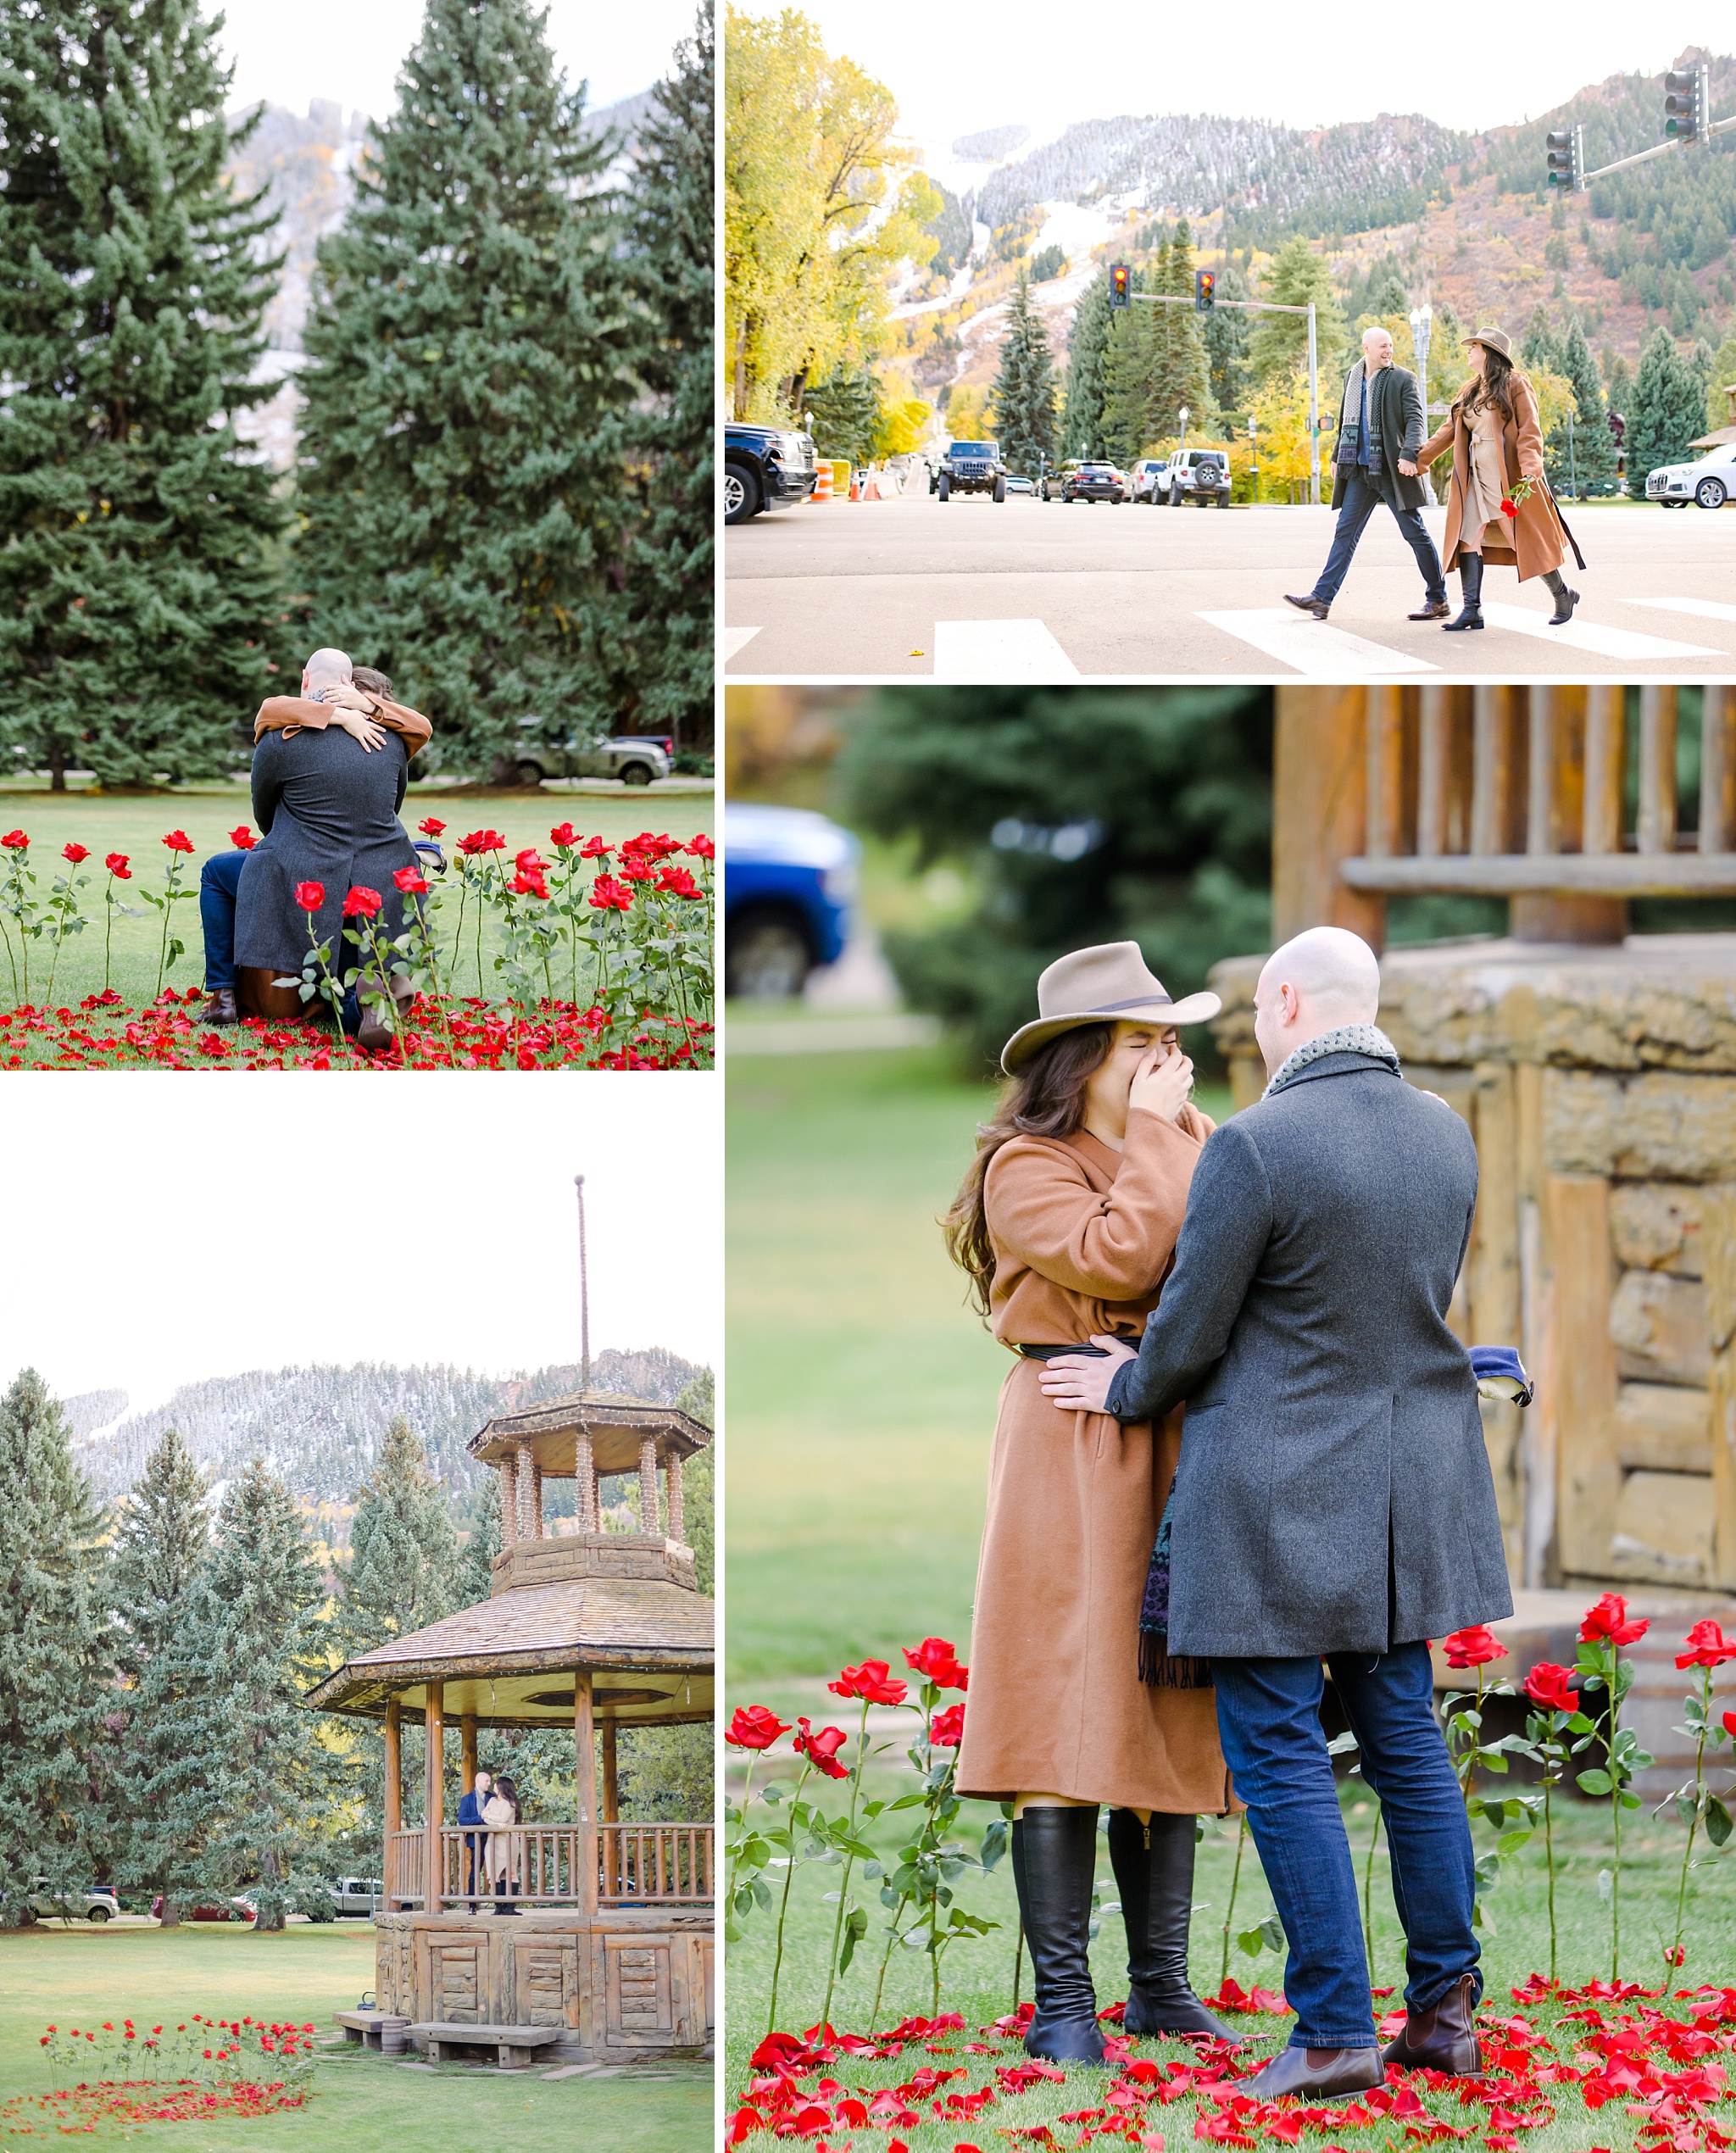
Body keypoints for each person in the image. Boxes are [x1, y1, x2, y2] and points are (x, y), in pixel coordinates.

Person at [1039, 926, 1512, 2099]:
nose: (1248, 1030)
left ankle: (1335, 2031)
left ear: (1290, 1002)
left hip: (1275, 1493)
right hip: (1408, 1487)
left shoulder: (1254, 1148)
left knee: (1282, 1751)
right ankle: (1446, 2016)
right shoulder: (1445, 1134)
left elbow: (1191, 1330)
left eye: (1255, 1009)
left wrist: (1124, 1384)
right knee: (1408, 1745)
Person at [943, 942, 1238, 2065]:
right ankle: (1063, 2003)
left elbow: (1222, 1272)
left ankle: (1160, 1986)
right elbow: (1122, 1257)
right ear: (1085, 1060)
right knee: (1063, 1696)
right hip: (1069, 1440)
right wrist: (1163, 1142)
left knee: (1161, 1689)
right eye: (1142, 1043)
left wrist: (1163, 1356)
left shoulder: (1195, 1142)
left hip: (1168, 1428)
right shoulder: (1027, 1163)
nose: (1171, 1060)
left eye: (1171, 1038)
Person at [198, 655, 434, 1029]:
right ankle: (364, 1008)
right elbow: (393, 806)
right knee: (347, 912)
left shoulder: (279, 741)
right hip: (379, 869)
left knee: (215, 872)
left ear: (306, 679)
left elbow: (264, 814)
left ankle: (223, 996)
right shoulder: (391, 744)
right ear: (348, 683)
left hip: (301, 867)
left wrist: (292, 840)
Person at [1415, 325, 1583, 631]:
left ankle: (1562, 594)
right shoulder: (1469, 390)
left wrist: (1531, 470)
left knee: (1521, 538)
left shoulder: (1516, 384)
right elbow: (1448, 432)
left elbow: (1530, 431)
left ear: (1489, 352)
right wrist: (1420, 459)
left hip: (1507, 477)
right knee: (1469, 535)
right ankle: (1472, 610)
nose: (1468, 350)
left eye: (1474, 346)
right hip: (1475, 476)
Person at [1283, 325, 1447, 624]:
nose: (1389, 351)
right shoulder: (1353, 376)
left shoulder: (1403, 379)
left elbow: (1415, 420)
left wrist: (1410, 454)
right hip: (1359, 470)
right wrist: (1336, 457)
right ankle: (1322, 599)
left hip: (1390, 470)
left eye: (1391, 346)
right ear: (1366, 348)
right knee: (1345, 532)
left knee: (1415, 534)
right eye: (1383, 346)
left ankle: (1438, 599)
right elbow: (1348, 418)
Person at [483, 1774, 523, 1915]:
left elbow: (503, 1818)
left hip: (507, 1840)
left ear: (501, 1787)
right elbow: (484, 1816)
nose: (493, 1785)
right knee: (495, 1874)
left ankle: (510, 1907)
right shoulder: (492, 1801)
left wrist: (490, 1817)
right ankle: (499, 1906)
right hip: (493, 1841)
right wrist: (494, 1821)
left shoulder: (510, 1803)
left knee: (510, 1872)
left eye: (496, 1783)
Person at [457, 1768, 492, 1912]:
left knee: (495, 1871)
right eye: (487, 1781)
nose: (489, 1784)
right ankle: (472, 1905)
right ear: (478, 1781)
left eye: (490, 1781)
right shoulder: (467, 1800)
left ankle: (500, 1904)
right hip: (476, 1841)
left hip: (492, 1839)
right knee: (475, 1872)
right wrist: (480, 1818)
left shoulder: (493, 1797)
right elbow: (462, 1820)